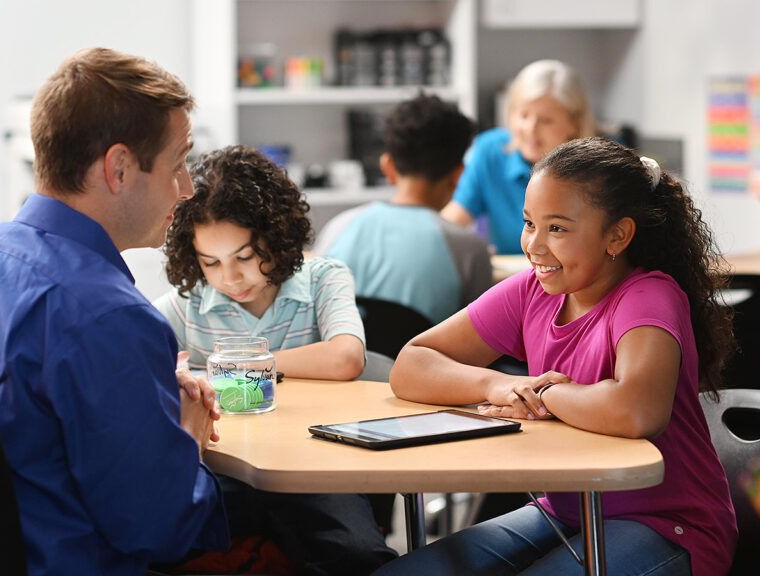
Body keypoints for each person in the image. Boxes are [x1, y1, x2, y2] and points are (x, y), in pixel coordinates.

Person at [374, 137, 738, 576]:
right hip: (571, 510)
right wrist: (502, 385)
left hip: (669, 525)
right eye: (530, 223)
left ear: (617, 235)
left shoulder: (648, 296)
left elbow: (637, 411)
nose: (535, 246)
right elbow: (412, 363)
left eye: (558, 228)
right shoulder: (533, 289)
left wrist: (543, 394)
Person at [0, 48, 229, 576]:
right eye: (177, 164)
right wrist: (189, 433)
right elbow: (162, 529)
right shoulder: (107, 317)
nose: (187, 189)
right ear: (119, 168)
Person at [154, 144, 398, 576]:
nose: (230, 278)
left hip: (313, 467)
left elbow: (345, 357)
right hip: (223, 471)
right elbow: (150, 373)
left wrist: (237, 366)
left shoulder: (323, 277)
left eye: (245, 257)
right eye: (211, 262)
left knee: (361, 557)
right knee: (153, 543)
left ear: (276, 234)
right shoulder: (185, 304)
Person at [314, 93, 492, 325]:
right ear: (459, 174)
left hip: (346, 361)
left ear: (387, 167)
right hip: (426, 361)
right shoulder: (469, 250)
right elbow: (484, 337)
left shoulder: (338, 228)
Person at [442, 59, 594, 254]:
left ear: (575, 122)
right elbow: (454, 218)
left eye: (546, 121)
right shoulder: (490, 150)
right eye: (523, 116)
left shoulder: (600, 164)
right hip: (511, 279)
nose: (530, 130)